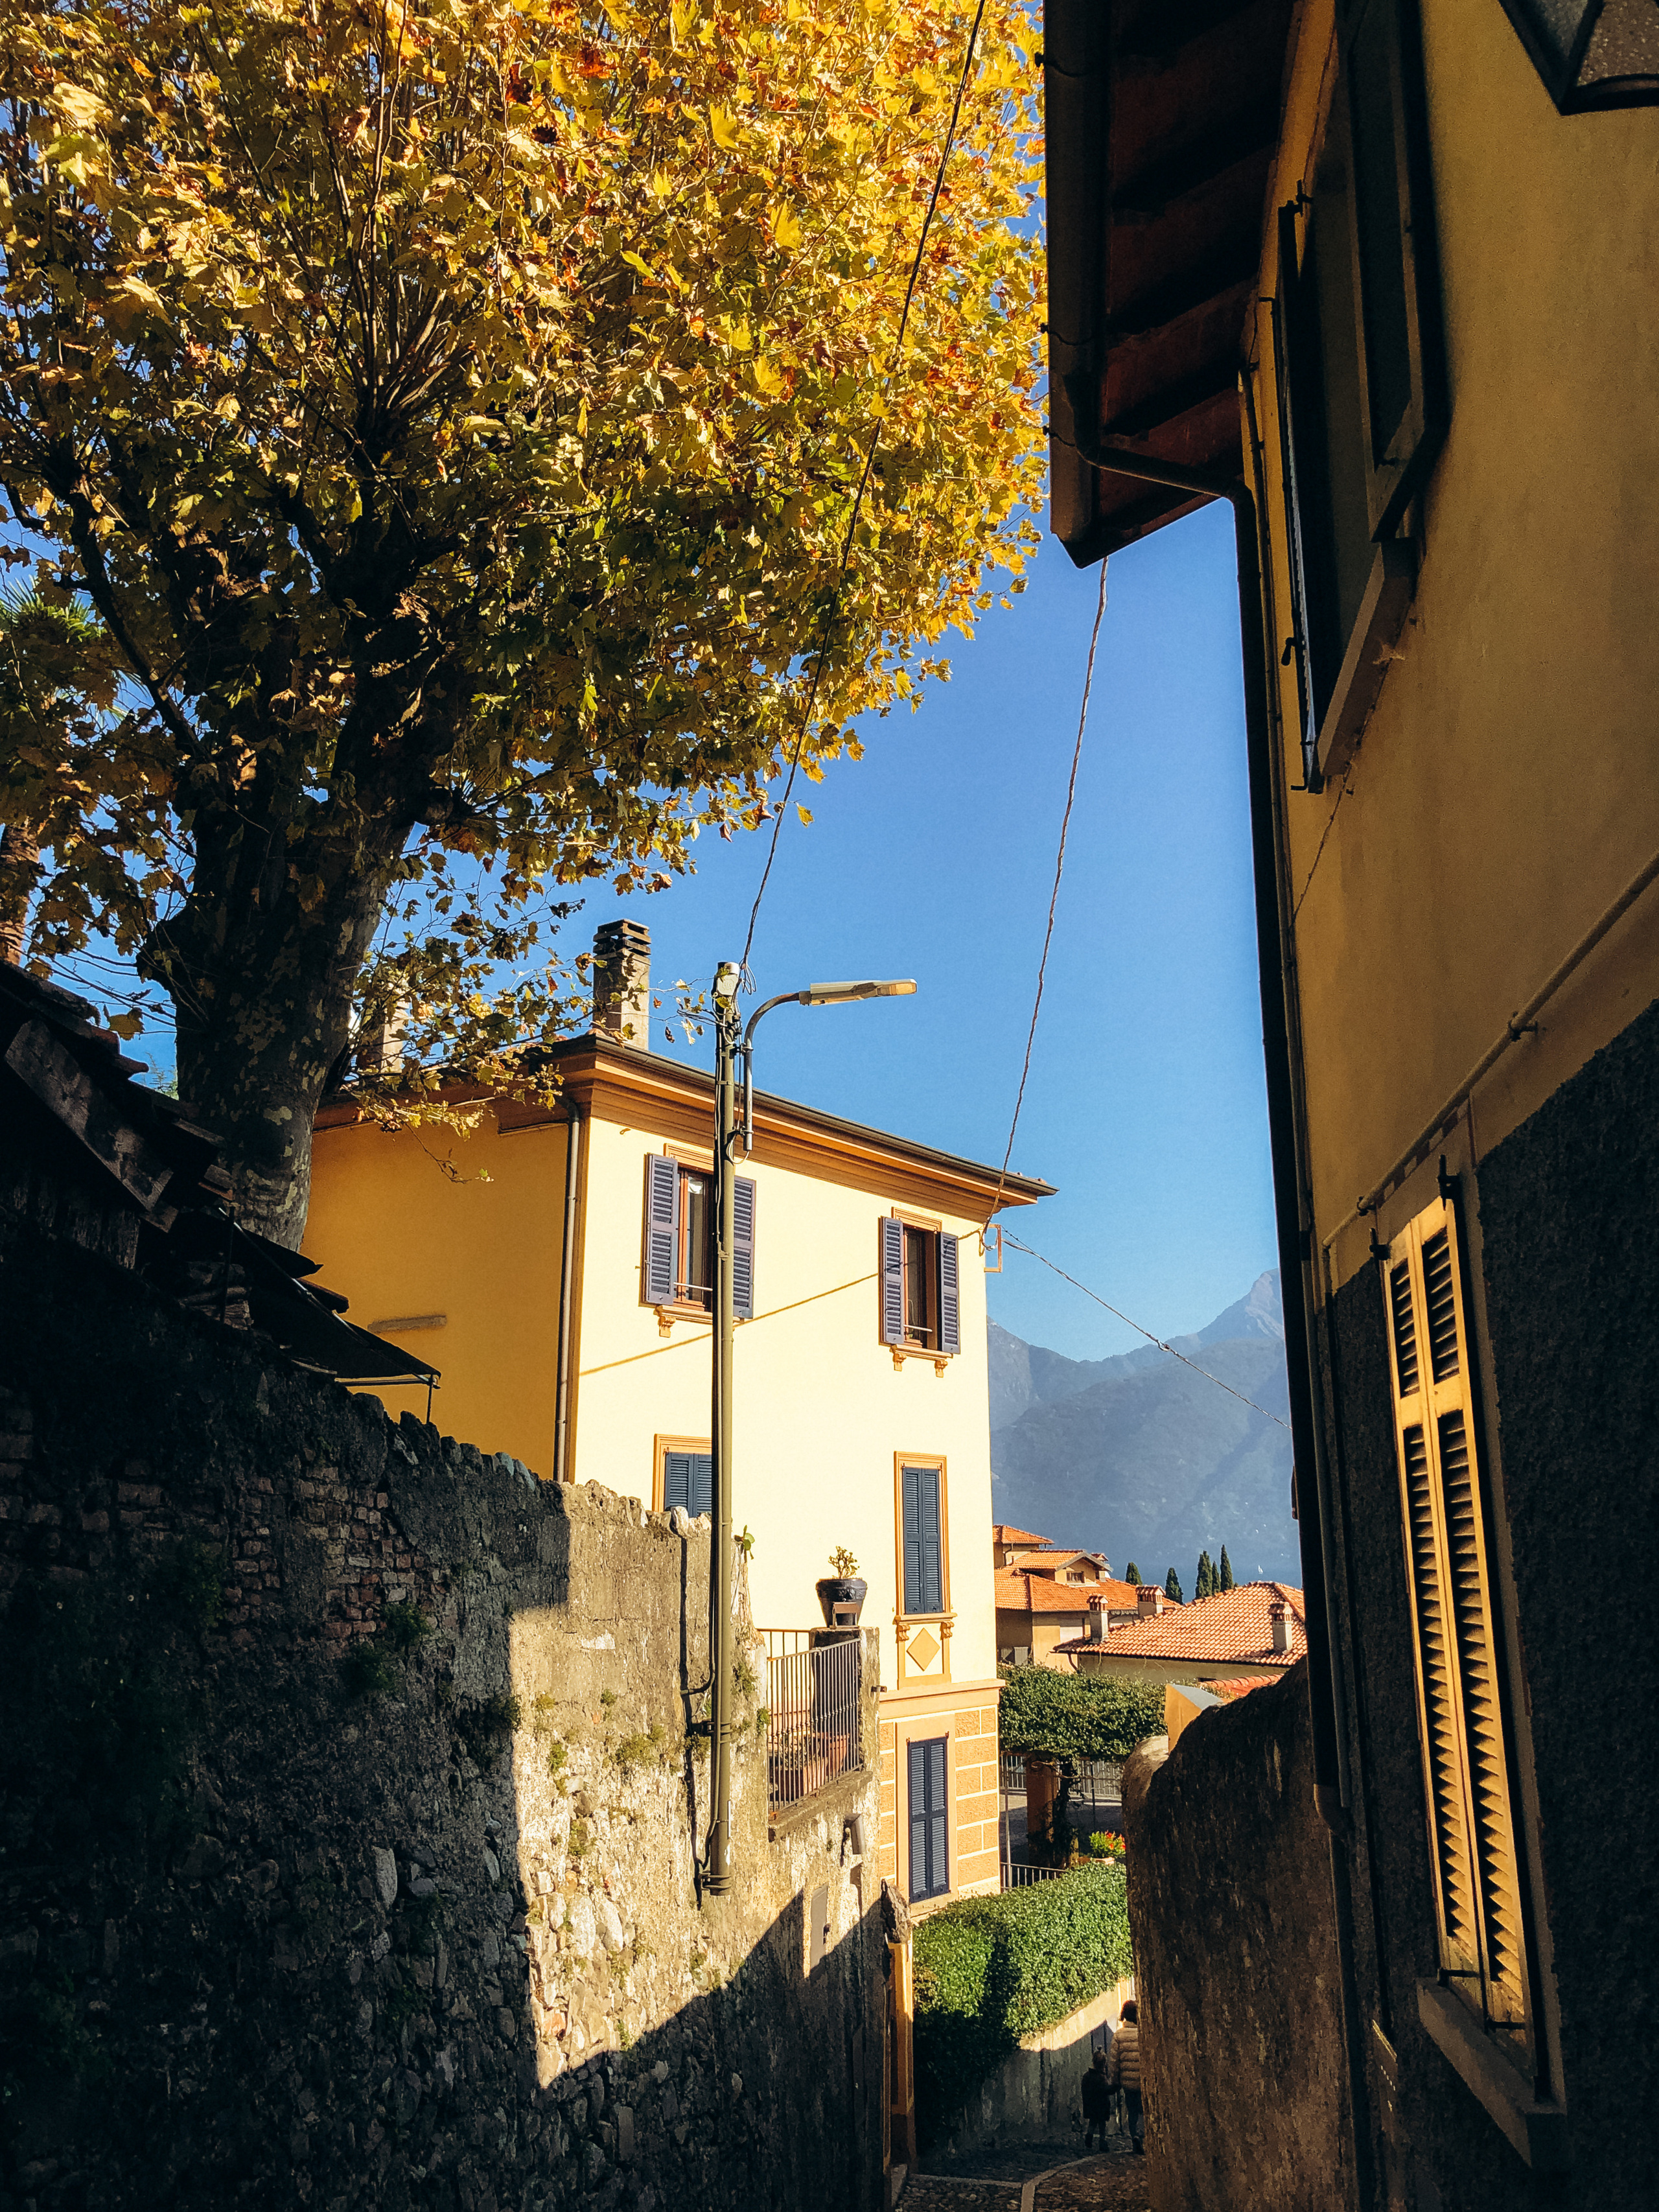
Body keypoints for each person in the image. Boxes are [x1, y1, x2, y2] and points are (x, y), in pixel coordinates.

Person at [1106, 1999, 1144, 2154]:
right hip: (1142, 2081)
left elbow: (1114, 2061)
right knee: (1143, 2111)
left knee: (1132, 2111)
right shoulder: (1142, 2033)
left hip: (1127, 2083)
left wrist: (1115, 2081)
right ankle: (1141, 2136)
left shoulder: (1119, 2036)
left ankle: (1134, 2136)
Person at [1081, 2045, 1112, 2150]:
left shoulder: (1087, 2076)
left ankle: (1089, 2137)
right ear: (1104, 2063)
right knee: (1102, 2125)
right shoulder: (1102, 2078)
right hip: (1102, 2106)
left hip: (1091, 2105)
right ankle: (1103, 2142)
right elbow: (1106, 2090)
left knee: (1092, 2122)